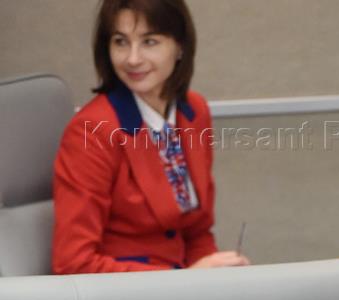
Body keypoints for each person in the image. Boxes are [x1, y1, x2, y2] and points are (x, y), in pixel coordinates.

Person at [52, 0, 249, 274]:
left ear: (180, 46)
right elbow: (73, 263)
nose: (132, 58)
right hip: (127, 295)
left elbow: (196, 232)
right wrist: (186, 280)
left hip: (185, 289)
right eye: (121, 42)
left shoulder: (193, 111)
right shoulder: (92, 130)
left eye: (149, 42)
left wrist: (218, 278)